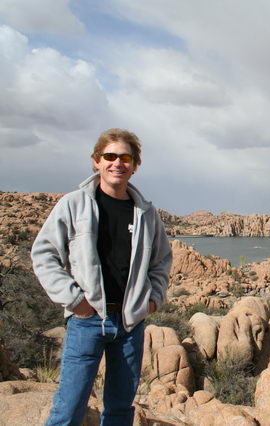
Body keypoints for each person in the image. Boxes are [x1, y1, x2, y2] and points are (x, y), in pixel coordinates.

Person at [31, 128, 173, 425]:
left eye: (125, 157)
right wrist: (75, 300)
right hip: (86, 321)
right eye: (110, 156)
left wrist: (153, 301)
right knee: (69, 408)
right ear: (96, 161)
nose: (117, 163)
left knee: (121, 410)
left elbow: (161, 261)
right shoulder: (74, 204)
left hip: (129, 323)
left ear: (135, 165)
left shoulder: (146, 213)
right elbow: (44, 254)